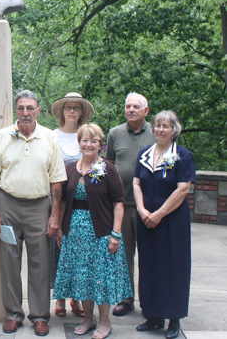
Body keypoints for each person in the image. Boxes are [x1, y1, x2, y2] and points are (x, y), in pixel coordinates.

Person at [0, 90, 67, 337]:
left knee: (40, 262)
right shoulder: (2, 136)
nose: (25, 113)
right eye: (21, 108)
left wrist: (55, 215)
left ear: (38, 111)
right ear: (15, 111)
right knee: (9, 261)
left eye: (30, 108)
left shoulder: (49, 137)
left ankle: (40, 316)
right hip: (8, 206)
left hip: (39, 206)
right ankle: (13, 315)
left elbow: (57, 180)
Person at [53, 124, 131, 339]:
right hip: (75, 234)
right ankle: (88, 319)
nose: (88, 144)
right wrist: (59, 227)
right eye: (84, 140)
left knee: (101, 279)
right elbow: (64, 200)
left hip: (102, 233)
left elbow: (118, 203)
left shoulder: (108, 169)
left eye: (93, 140)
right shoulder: (70, 169)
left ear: (100, 145)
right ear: (78, 143)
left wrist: (115, 234)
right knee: (83, 278)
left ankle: (105, 322)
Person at [133, 111, 195, 339]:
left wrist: (158, 214)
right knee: (149, 264)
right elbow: (136, 183)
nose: (160, 129)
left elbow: (183, 189)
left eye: (165, 126)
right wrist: (141, 210)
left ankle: (173, 319)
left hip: (171, 221)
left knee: (172, 267)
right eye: (157, 125)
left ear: (174, 130)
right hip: (146, 219)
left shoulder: (183, 155)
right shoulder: (144, 154)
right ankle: (153, 316)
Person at [105, 92, 155, 316]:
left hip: (149, 206)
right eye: (128, 106)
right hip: (122, 204)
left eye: (136, 106)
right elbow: (109, 165)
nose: (131, 110)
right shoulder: (114, 133)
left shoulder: (158, 133)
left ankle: (151, 300)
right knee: (124, 256)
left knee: (149, 255)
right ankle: (126, 299)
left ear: (146, 111)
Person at [49, 92, 94, 318]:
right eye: (69, 107)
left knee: (78, 251)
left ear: (81, 112)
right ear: (62, 111)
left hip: (80, 203)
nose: (73, 111)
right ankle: (60, 297)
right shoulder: (52, 136)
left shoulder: (86, 135)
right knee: (57, 249)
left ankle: (77, 298)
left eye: (77, 107)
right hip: (57, 199)